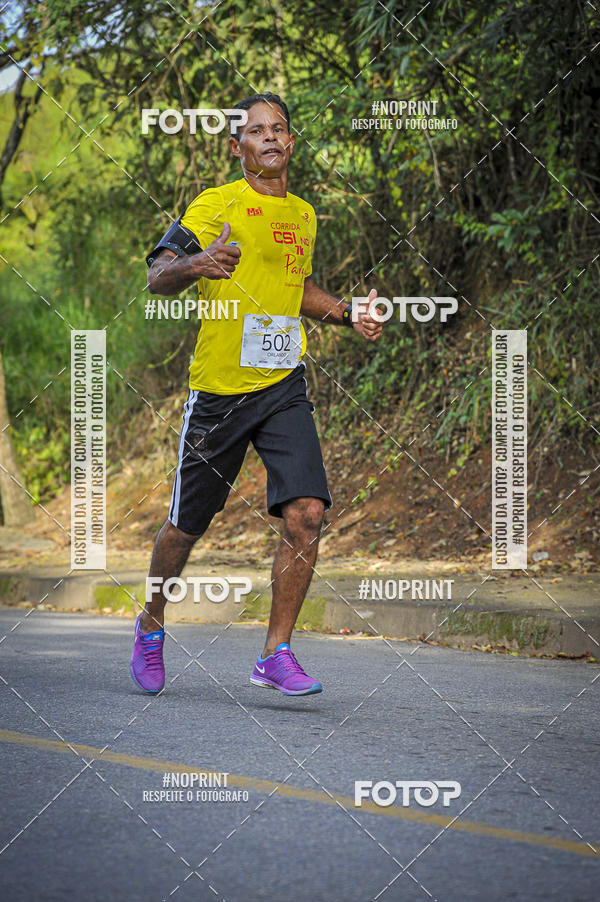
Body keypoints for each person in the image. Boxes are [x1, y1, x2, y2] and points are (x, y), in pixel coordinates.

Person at [130, 92, 382, 697]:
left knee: (307, 514)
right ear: (237, 146)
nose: (270, 138)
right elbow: (156, 275)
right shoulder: (214, 205)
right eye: (256, 131)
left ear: (291, 142)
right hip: (218, 393)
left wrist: (347, 314)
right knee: (184, 529)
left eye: (279, 129)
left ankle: (275, 652)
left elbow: (295, 289)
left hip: (282, 385)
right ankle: (151, 623)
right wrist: (198, 264)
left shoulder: (304, 214)